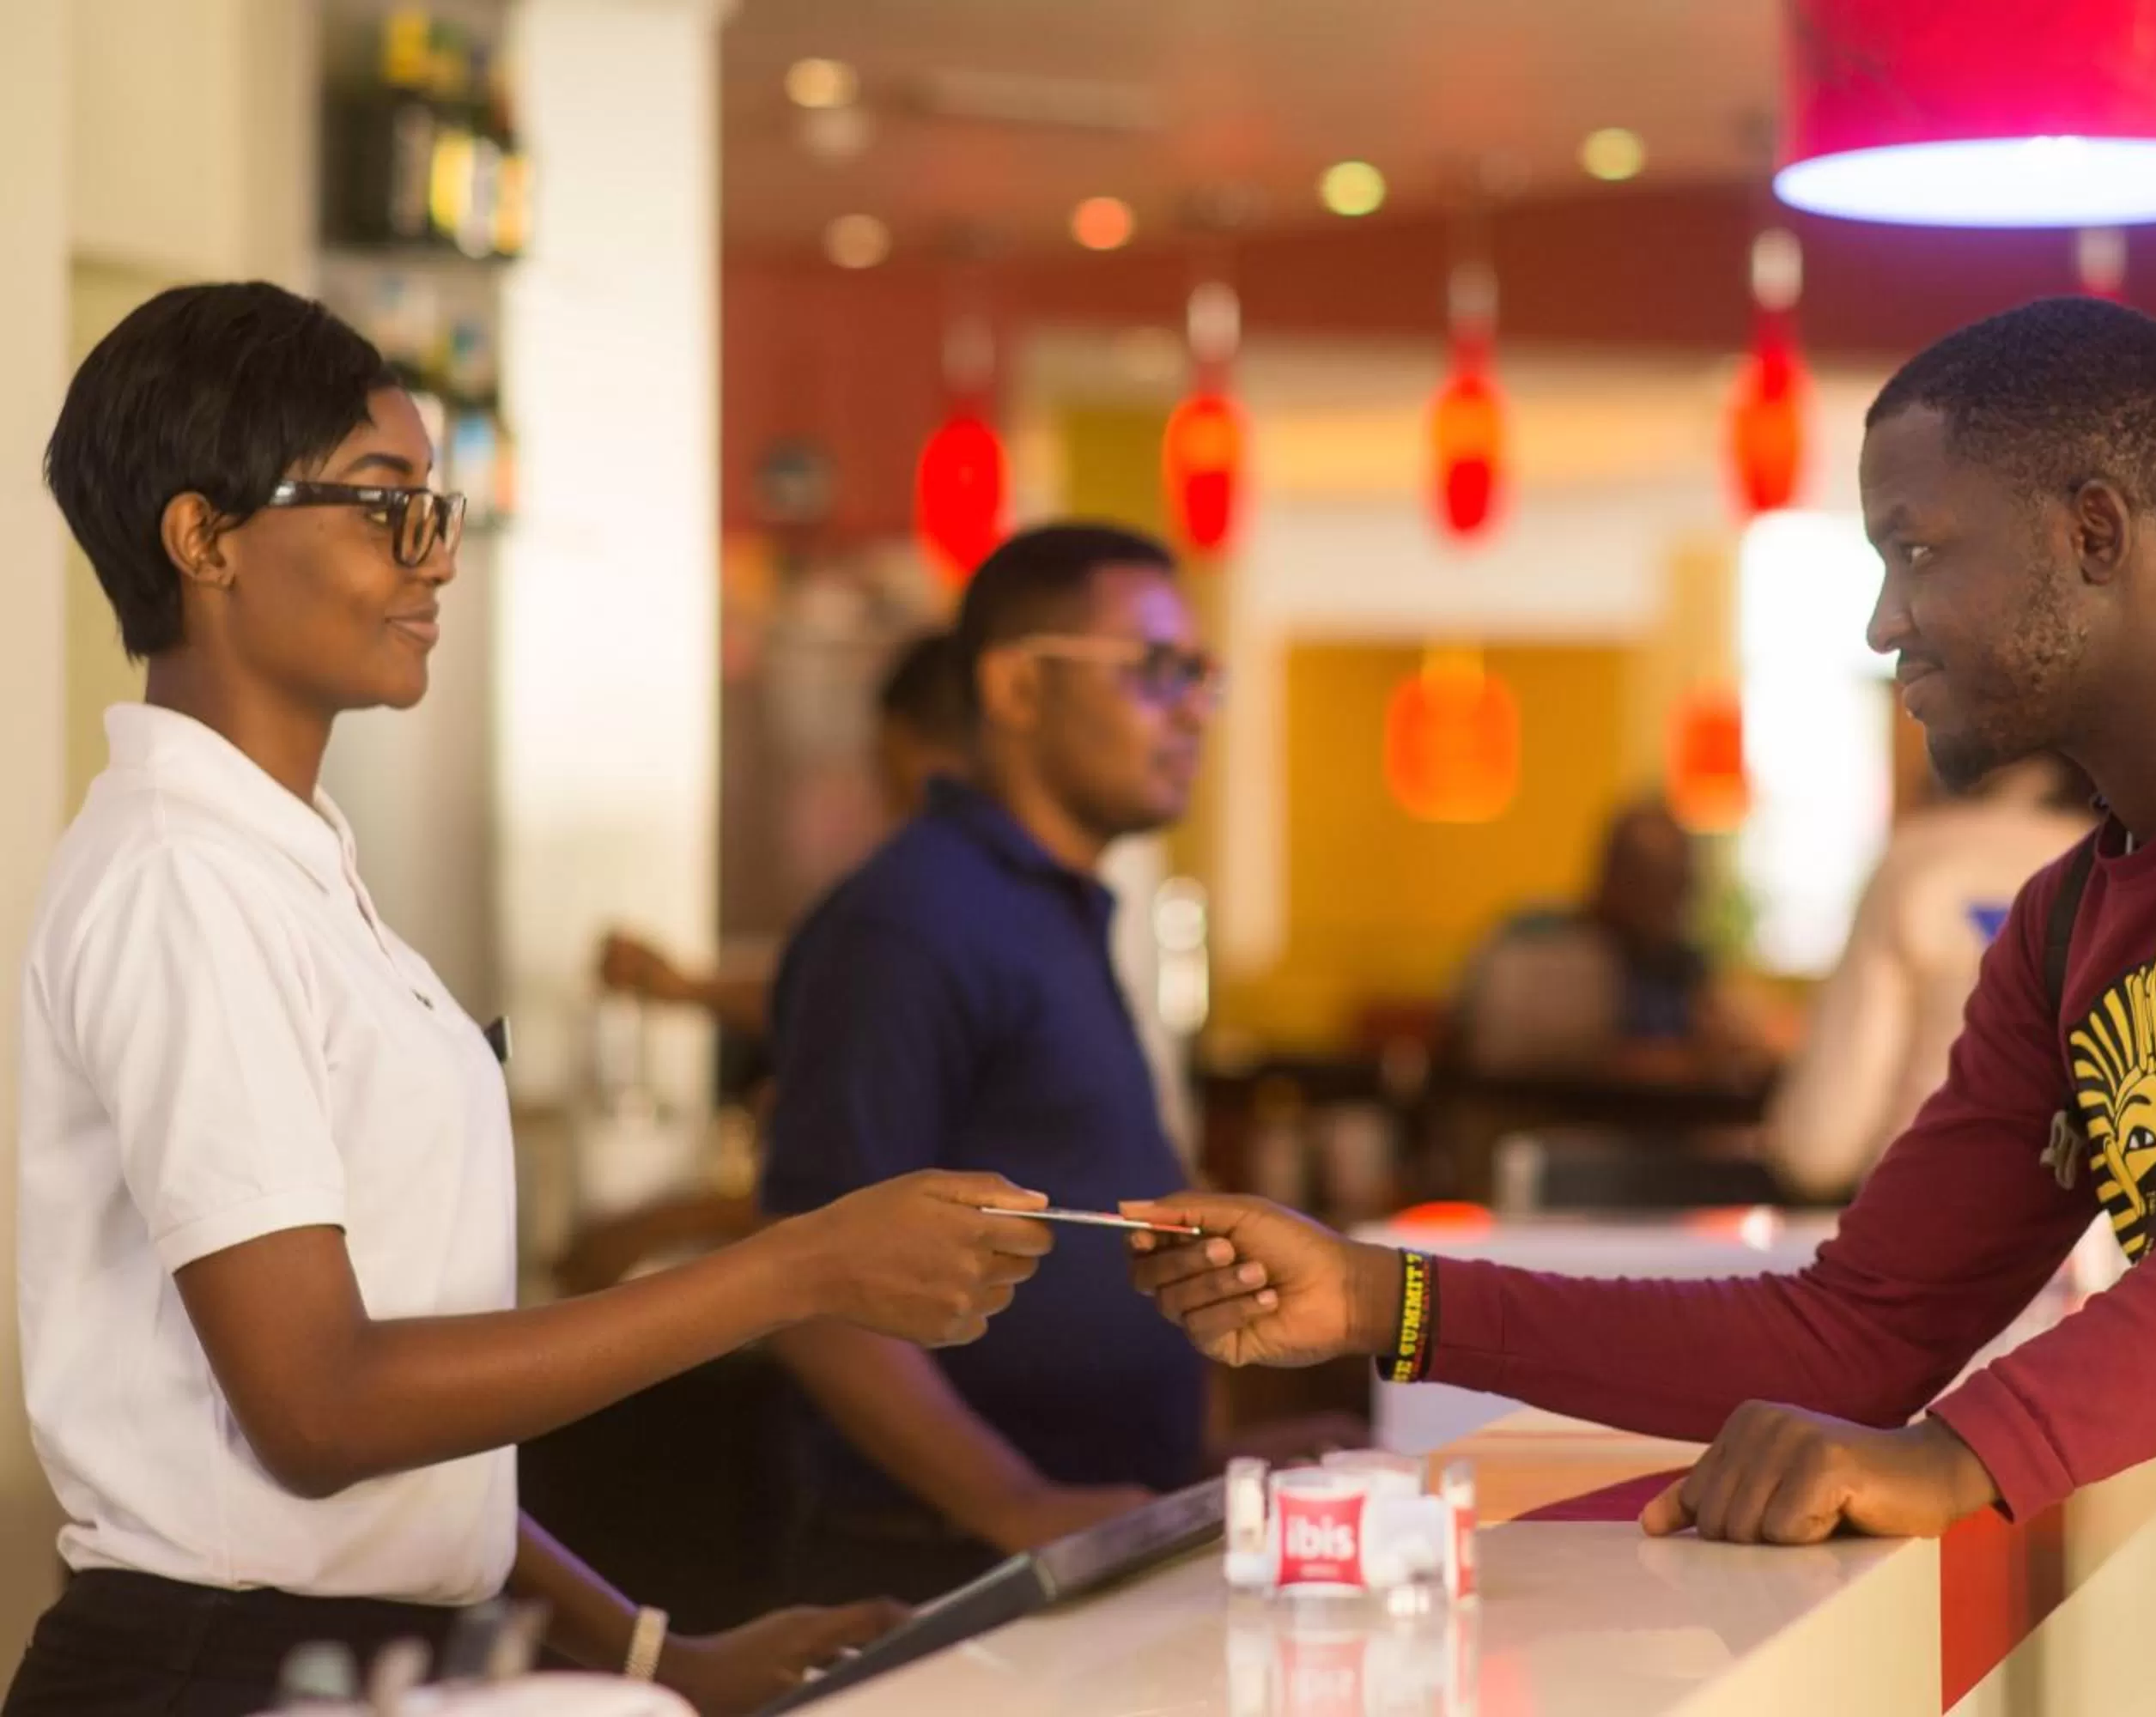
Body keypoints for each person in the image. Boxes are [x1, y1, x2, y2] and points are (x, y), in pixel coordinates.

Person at [1123, 297, 2156, 1717]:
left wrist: (1961, 1456)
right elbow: (1858, 1332)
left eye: (1915, 550)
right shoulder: (2067, 930)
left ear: (2094, 533)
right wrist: (1378, 1297)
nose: (1888, 623)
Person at [10, 282, 1065, 1717]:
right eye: (387, 507)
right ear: (203, 538)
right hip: (225, 1674)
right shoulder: (183, 877)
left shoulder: (291, 866)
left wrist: (650, 1651)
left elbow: (414, 1437)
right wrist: (798, 1266)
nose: (434, 562)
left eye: (438, 514)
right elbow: (324, 1408)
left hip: (363, 1652)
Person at [760, 524, 1350, 1607]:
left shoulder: (1052, 907)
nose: (1193, 711)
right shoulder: (912, 917)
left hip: (1082, 1541)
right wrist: (1017, 1498)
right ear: (1018, 684)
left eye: (1202, 677)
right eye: (1156, 670)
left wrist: (1192, 1476)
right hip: (944, 1569)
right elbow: (807, 1286)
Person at [593, 629, 969, 1041]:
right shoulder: (976, 882)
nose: (886, 796)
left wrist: (683, 986)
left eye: (889, 764)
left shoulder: (935, 887)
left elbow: (839, 998)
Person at [1765, 754, 2098, 1199]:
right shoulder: (2135, 864)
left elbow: (1822, 1145)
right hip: (2100, 1240)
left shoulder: (1915, 863)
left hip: (1928, 1217)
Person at [1450, 799, 1770, 1083]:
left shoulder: (1678, 963)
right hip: (1541, 1136)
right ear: (1612, 876)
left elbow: (1733, 1042)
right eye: (1656, 881)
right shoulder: (1538, 947)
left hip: (1654, 1141)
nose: (1675, 904)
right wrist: (1678, 1061)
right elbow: (1537, 1057)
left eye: (1682, 884)